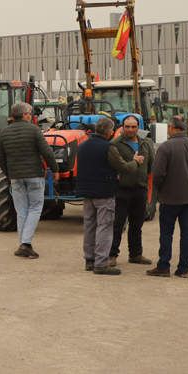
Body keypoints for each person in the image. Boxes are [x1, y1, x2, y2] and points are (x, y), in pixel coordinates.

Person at [147, 117, 188, 278]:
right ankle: (183, 269)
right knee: (187, 233)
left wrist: (160, 190)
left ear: (172, 128)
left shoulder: (165, 148)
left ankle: (164, 266)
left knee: (167, 233)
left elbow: (158, 173)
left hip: (170, 198)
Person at [0, 102, 57, 259]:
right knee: (35, 208)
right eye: (30, 113)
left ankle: (23, 245)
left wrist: (9, 173)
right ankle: (26, 244)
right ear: (25, 115)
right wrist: (55, 169)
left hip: (15, 177)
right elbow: (47, 152)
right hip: (34, 175)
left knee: (21, 211)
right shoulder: (34, 130)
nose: (31, 115)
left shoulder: (4, 133)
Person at [106, 114, 155, 266]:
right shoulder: (115, 144)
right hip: (122, 190)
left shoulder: (146, 143)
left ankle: (136, 254)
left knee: (137, 224)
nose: (130, 130)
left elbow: (151, 165)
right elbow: (113, 166)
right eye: (127, 127)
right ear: (122, 127)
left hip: (140, 189)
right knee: (118, 224)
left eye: (133, 127)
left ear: (138, 127)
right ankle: (112, 255)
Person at [76, 117, 121, 275]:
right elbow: (120, 166)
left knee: (89, 226)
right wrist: (135, 162)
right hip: (104, 193)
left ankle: (89, 260)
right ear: (109, 131)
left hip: (87, 192)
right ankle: (101, 263)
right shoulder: (108, 147)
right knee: (105, 227)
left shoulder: (82, 146)